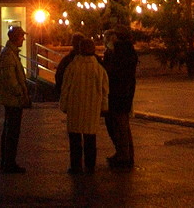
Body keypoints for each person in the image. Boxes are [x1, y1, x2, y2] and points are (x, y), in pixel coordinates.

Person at [59, 37, 108, 174]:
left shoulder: (73, 66)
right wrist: (103, 107)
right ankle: (90, 166)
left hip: (75, 108)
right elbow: (104, 90)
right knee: (90, 139)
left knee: (75, 140)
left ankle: (76, 166)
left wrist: (64, 105)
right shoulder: (98, 68)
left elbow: (66, 87)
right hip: (92, 108)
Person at [102, 27, 138, 169]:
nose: (104, 42)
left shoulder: (119, 53)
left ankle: (124, 155)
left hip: (118, 94)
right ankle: (125, 154)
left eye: (106, 39)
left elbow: (113, 72)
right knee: (121, 125)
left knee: (119, 125)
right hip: (123, 93)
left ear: (113, 38)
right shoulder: (125, 52)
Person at [0, 25, 30, 173]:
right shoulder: (9, 55)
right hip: (13, 99)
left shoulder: (9, 53)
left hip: (11, 98)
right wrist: (20, 93)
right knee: (12, 131)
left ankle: (8, 161)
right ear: (16, 37)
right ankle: (9, 163)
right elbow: (10, 79)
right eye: (22, 36)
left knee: (10, 130)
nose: (23, 38)